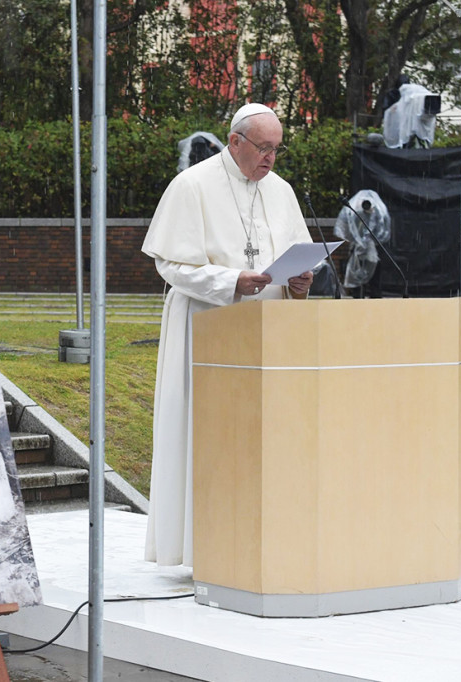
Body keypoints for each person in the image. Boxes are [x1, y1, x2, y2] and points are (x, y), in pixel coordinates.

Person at [141, 103, 315, 567]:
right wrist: (229, 282)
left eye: (277, 150)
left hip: (266, 337)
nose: (270, 159)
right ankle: (201, 547)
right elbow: (169, 263)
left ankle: (262, 541)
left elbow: (297, 254)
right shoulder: (192, 185)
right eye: (263, 148)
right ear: (235, 141)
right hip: (206, 326)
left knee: (262, 438)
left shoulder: (281, 192)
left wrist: (299, 283)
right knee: (205, 435)